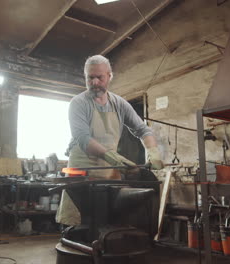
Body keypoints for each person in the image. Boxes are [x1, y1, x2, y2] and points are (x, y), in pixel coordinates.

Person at [56, 55, 163, 226]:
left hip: (109, 172)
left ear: (109, 76)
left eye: (100, 77)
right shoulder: (78, 103)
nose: (95, 82)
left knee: (108, 219)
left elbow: (142, 129)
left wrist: (153, 151)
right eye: (90, 78)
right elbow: (83, 138)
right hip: (83, 171)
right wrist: (113, 157)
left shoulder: (119, 104)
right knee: (79, 222)